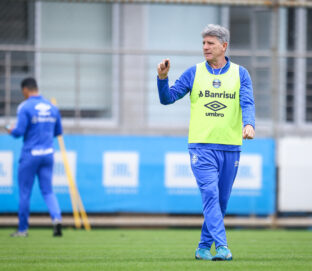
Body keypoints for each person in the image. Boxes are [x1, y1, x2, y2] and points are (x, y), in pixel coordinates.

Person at [157, 24, 255, 261]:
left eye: (210, 43)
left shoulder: (241, 74)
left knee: (220, 202)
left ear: (224, 46)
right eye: (203, 43)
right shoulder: (194, 72)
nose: (205, 47)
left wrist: (249, 124)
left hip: (230, 147)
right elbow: (167, 98)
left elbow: (247, 103)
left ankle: (202, 248)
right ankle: (222, 247)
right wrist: (162, 79)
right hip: (201, 147)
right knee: (210, 195)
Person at [6, 77, 63, 237]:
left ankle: (23, 229)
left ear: (25, 90)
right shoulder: (52, 107)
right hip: (48, 154)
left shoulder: (25, 107)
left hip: (30, 155)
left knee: (25, 192)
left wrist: (8, 128)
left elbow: (18, 132)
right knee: (48, 191)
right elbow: (58, 132)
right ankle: (56, 219)